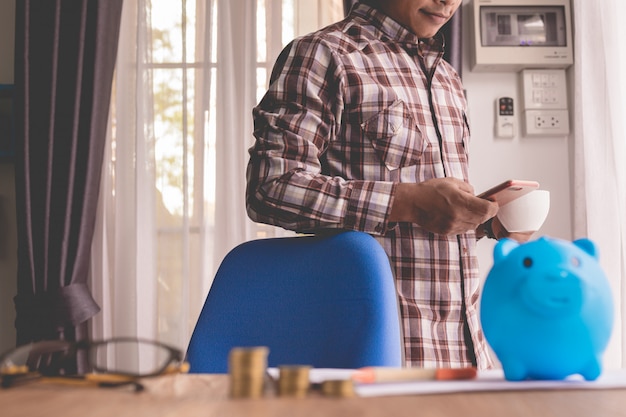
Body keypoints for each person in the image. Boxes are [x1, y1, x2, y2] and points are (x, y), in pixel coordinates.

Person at [245, 0, 531, 369]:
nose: (448, 1)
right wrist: (407, 202)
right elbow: (271, 187)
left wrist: (481, 221)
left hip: (465, 353)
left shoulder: (447, 76)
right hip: (377, 355)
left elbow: (423, 224)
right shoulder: (324, 55)